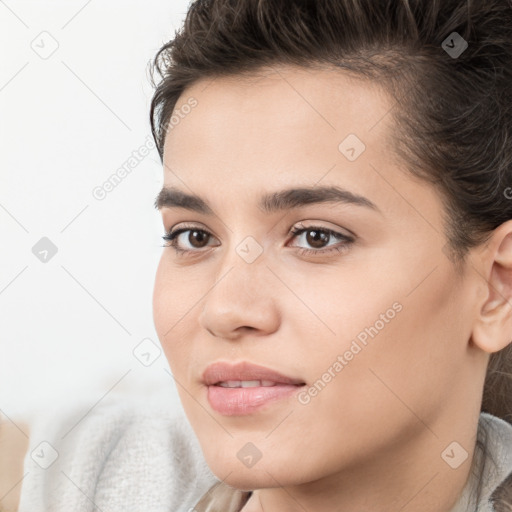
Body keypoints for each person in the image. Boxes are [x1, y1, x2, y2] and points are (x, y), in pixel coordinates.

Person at [16, 0, 512, 511]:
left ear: (497, 287)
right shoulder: (95, 475)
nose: (225, 310)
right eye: (194, 236)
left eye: (316, 237)